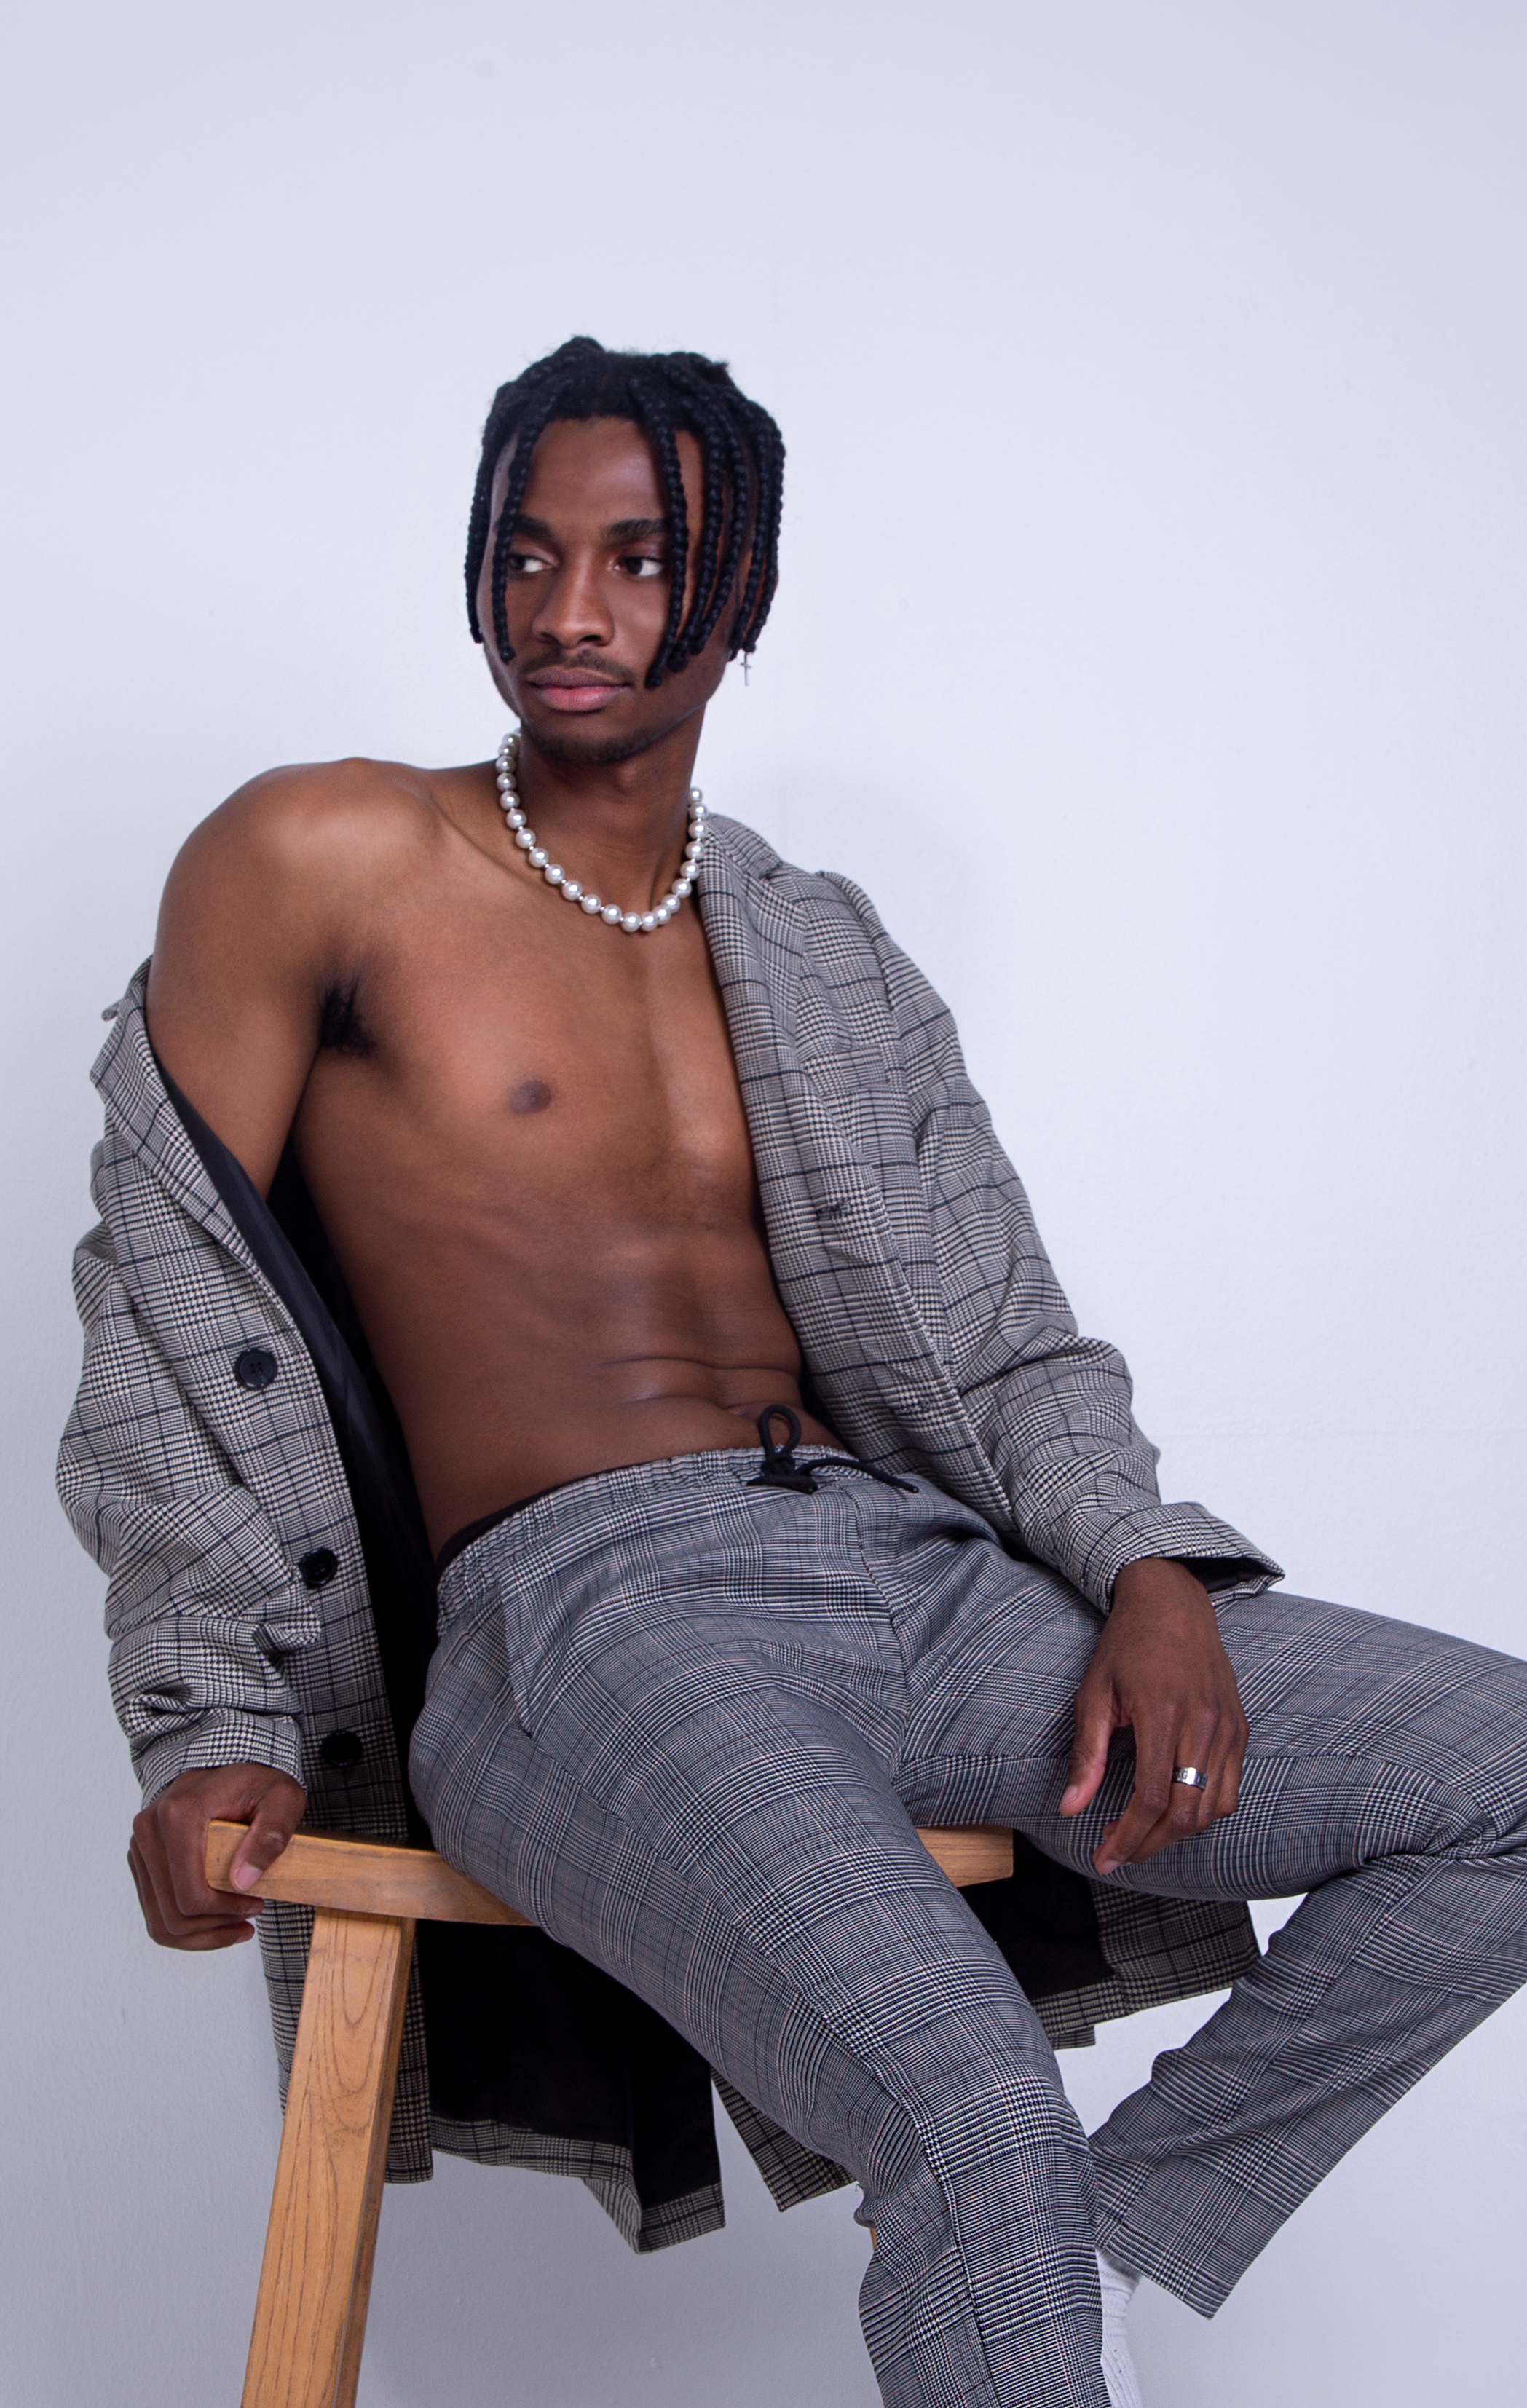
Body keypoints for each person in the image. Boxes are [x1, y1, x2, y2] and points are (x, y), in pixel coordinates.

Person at [58, 337, 1527, 2408]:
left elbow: (999, 1330)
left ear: (739, 598)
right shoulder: (320, 857)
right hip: (584, 1617)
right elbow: (165, 1302)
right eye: (528, 552)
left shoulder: (822, 943)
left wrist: (1147, 1573)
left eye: (641, 560)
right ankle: (1023, 2234)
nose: (570, 610)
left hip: (914, 1577)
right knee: (969, 2101)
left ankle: (1108, 2248)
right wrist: (206, 1721)